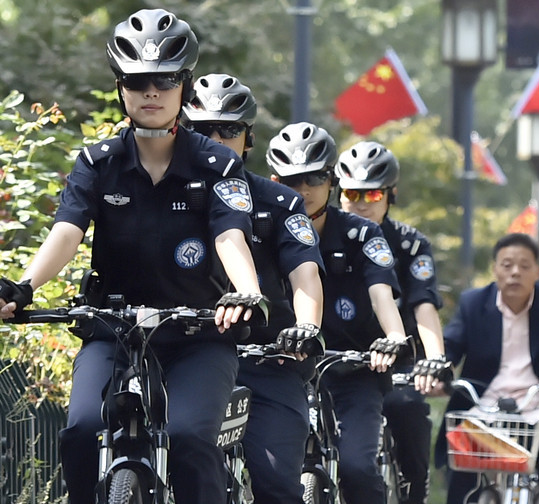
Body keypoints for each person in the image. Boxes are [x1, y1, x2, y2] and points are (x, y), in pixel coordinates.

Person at [0, 9, 267, 504]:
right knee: (80, 430)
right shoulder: (97, 161)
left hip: (200, 333)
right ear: (121, 86)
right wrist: (25, 286)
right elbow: (66, 232)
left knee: (189, 438)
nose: (151, 92)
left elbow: (231, 236)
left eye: (164, 80)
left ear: (183, 86)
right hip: (112, 327)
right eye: (138, 80)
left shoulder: (219, 164)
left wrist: (246, 291)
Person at [183, 74, 325, 503]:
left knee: (278, 482)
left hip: (266, 360)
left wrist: (305, 325)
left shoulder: (281, 202)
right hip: (182, 354)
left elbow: (305, 273)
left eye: (229, 129)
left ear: (249, 139)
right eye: (203, 129)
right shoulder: (162, 189)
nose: (216, 138)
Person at [267, 122, 409, 503]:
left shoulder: (362, 234)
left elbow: (382, 295)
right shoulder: (260, 229)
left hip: (354, 372)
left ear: (331, 180)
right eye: (291, 181)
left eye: (313, 178)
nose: (303, 191)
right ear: (274, 180)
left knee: (356, 468)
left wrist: (394, 336)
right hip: (283, 370)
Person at [335, 141, 449, 504]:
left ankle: (416, 488)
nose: (362, 203)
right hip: (332, 357)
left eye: (373, 194)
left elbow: (424, 306)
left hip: (396, 360)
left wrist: (434, 359)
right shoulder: (316, 235)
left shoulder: (411, 245)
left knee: (407, 408)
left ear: (391, 194)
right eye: (353, 193)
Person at [434, 233, 539, 504]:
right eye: (507, 265)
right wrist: (438, 370)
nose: (515, 272)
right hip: (486, 404)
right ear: (495, 269)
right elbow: (451, 345)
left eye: (525, 266)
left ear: (537, 271)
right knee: (463, 453)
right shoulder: (473, 303)